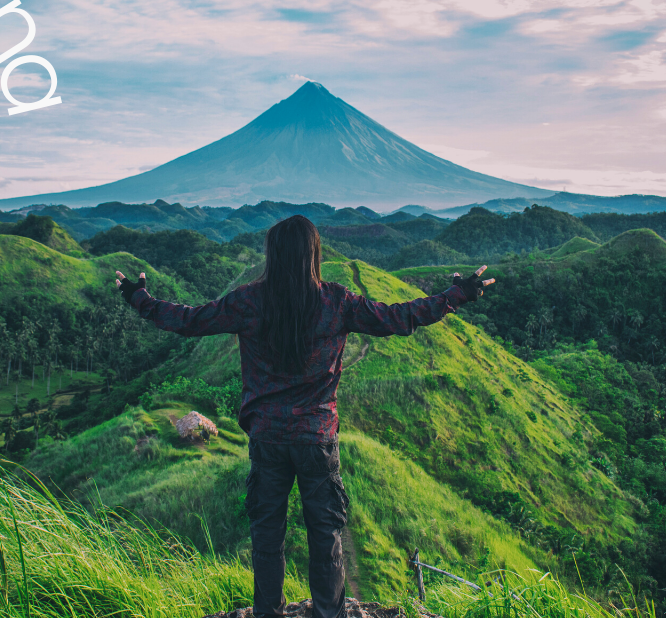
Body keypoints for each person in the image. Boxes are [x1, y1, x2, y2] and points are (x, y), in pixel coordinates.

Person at [114, 215, 493, 618]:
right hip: (316, 438)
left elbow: (188, 321)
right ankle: (330, 613)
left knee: (267, 535)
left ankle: (268, 613)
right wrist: (456, 295)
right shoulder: (336, 301)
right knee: (325, 533)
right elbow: (399, 317)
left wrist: (138, 297)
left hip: (268, 438)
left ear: (273, 255)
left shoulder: (249, 301)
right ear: (314, 254)